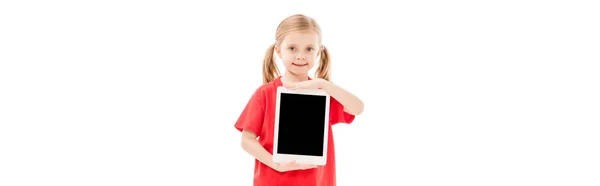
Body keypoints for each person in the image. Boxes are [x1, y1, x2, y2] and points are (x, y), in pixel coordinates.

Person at [234, 14, 364, 186]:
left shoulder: (323, 92)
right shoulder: (264, 93)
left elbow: (357, 108)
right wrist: (276, 164)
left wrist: (323, 84)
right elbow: (247, 139)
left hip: (315, 181)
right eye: (292, 48)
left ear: (318, 52)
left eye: (309, 49)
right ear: (279, 51)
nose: (301, 56)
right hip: (272, 180)